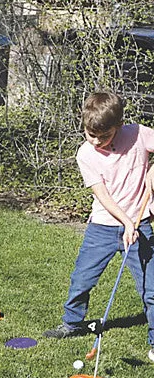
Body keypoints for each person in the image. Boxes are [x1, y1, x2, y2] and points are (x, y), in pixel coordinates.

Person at [44, 91, 154, 361]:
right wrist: (127, 222)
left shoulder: (138, 134)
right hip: (103, 227)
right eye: (89, 134)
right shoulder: (86, 155)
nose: (95, 142)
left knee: (151, 289)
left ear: (118, 126)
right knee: (82, 279)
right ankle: (72, 323)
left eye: (103, 137)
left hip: (143, 226)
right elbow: (102, 195)